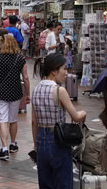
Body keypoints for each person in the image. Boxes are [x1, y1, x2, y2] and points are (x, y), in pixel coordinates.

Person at [31, 52, 86, 189]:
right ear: (54, 71)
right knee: (63, 183)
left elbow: (34, 121)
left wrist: (36, 144)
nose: (66, 73)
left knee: (45, 184)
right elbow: (75, 116)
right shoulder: (59, 91)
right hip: (58, 142)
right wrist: (83, 113)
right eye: (64, 68)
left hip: (41, 142)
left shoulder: (36, 89)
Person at [0, 34, 30, 160]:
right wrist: (28, 93)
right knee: (13, 119)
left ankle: (4, 149)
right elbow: (25, 77)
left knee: (3, 120)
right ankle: (13, 144)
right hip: (15, 92)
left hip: (1, 92)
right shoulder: (20, 58)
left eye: (0, 43)